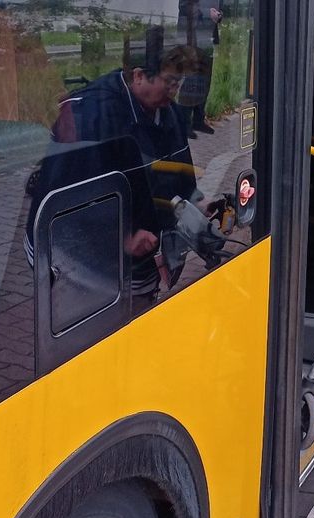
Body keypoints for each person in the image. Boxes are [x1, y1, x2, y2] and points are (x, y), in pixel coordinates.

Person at [26, 30, 201, 311]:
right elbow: (66, 206)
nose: (175, 91)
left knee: (137, 316)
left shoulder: (169, 113)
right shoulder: (87, 118)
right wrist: (123, 238)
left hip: (137, 256)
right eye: (169, 82)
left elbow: (180, 177)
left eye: (178, 83)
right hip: (74, 258)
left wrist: (195, 205)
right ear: (138, 76)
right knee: (93, 332)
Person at [177, 0, 223, 138]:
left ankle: (198, 121)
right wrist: (206, 12)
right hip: (192, 39)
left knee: (205, 80)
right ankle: (183, 125)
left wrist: (219, 15)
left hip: (208, 39)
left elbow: (219, 7)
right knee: (191, 81)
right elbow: (184, 6)